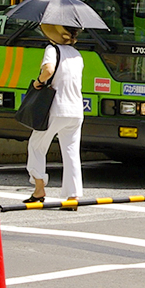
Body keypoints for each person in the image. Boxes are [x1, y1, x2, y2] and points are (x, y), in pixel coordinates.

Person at [26, 22, 87, 202]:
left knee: (36, 145)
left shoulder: (52, 50)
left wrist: (39, 82)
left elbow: (49, 70)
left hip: (57, 108)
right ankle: (72, 196)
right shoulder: (77, 55)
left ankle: (39, 189)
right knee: (71, 152)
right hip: (76, 110)